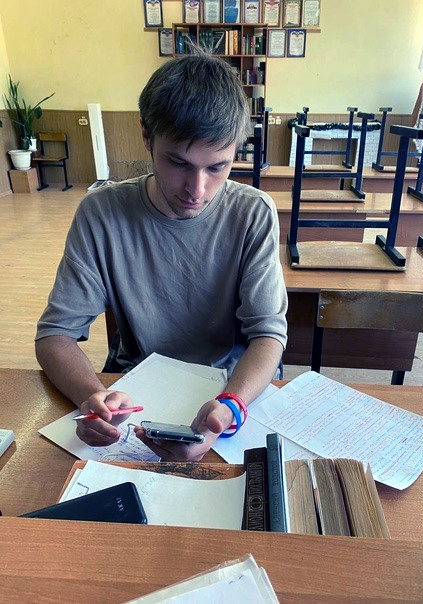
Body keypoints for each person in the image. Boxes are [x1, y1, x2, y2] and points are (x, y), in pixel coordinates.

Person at [35, 49, 287, 461]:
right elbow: (54, 335)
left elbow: (268, 335)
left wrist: (230, 408)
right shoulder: (101, 214)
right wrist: (92, 397)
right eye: (178, 163)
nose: (197, 190)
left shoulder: (252, 212)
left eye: (217, 167)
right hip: (134, 397)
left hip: (231, 391)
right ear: (146, 136)